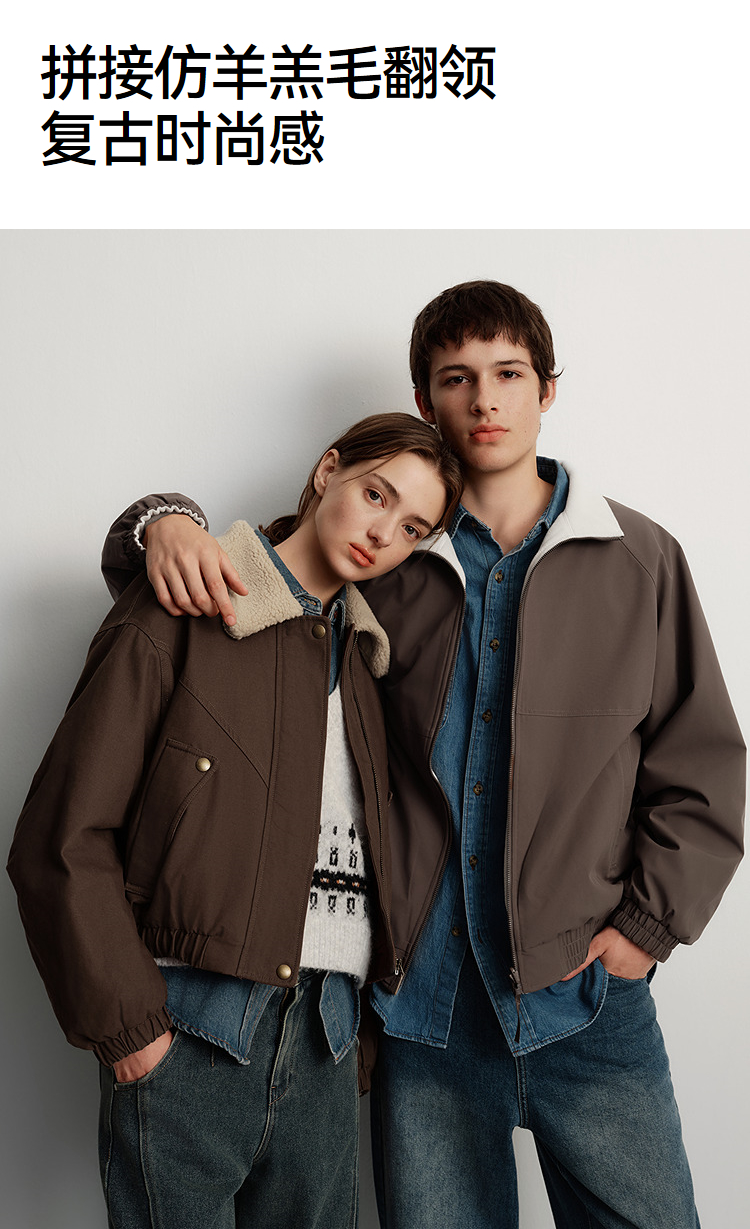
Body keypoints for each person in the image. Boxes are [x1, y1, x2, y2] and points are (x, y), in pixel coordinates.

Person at [89, 282, 744, 1229]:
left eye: (508, 374)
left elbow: (704, 764)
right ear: (425, 400)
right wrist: (161, 518)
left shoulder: (640, 559)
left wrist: (646, 929)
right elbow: (242, 578)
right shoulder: (387, 559)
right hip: (421, 1017)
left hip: (585, 1003)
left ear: (547, 389)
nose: (485, 400)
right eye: (457, 378)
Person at [7, 412, 462, 1229]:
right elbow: (61, 837)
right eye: (376, 494)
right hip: (192, 1029)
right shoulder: (189, 604)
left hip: (326, 1039)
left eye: (411, 528)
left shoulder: (368, 663)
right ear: (327, 470)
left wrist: (356, 1036)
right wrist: (130, 1031)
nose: (382, 533)